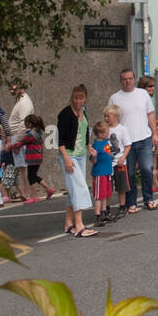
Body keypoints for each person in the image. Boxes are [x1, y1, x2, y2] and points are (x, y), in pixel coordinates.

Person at [110, 68, 156, 213]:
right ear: (120, 80)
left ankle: (149, 199)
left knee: (147, 169)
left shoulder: (142, 94)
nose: (127, 81)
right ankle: (131, 203)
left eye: (130, 78)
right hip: (126, 143)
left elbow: (150, 114)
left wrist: (154, 133)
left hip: (144, 138)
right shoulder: (115, 98)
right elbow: (111, 119)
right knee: (129, 173)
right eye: (124, 79)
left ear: (134, 79)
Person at [56, 84, 95, 237]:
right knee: (80, 188)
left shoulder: (84, 112)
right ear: (72, 98)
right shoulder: (65, 114)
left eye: (81, 98)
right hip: (69, 155)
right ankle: (79, 225)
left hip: (80, 155)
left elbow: (84, 132)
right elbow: (60, 140)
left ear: (85, 99)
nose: (78, 101)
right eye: (76, 98)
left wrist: (89, 146)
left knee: (73, 190)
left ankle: (68, 223)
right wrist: (66, 158)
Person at [14, 114, 54, 201]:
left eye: (25, 123)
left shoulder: (31, 135)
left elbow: (21, 143)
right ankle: (48, 189)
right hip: (38, 157)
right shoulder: (38, 132)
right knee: (33, 175)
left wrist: (11, 146)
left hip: (32, 157)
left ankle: (34, 196)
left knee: (31, 176)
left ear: (29, 124)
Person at [103, 103, 131, 221]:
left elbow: (128, 145)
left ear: (115, 116)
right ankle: (106, 209)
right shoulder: (104, 130)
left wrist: (122, 158)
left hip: (119, 163)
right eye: (105, 116)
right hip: (107, 163)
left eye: (108, 116)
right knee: (108, 188)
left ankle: (122, 207)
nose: (106, 118)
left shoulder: (122, 129)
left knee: (121, 186)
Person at [7, 82, 35, 201]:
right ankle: (26, 192)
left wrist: (18, 143)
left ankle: (28, 194)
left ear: (20, 87)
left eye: (13, 88)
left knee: (24, 167)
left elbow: (23, 125)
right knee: (22, 167)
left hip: (20, 138)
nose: (10, 91)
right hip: (18, 137)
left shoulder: (24, 102)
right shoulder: (20, 101)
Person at [90, 121, 114, 225]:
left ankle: (104, 213)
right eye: (106, 132)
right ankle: (97, 215)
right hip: (100, 173)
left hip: (107, 172)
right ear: (100, 134)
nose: (108, 133)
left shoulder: (105, 142)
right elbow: (93, 160)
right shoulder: (96, 145)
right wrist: (94, 156)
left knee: (105, 194)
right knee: (99, 195)